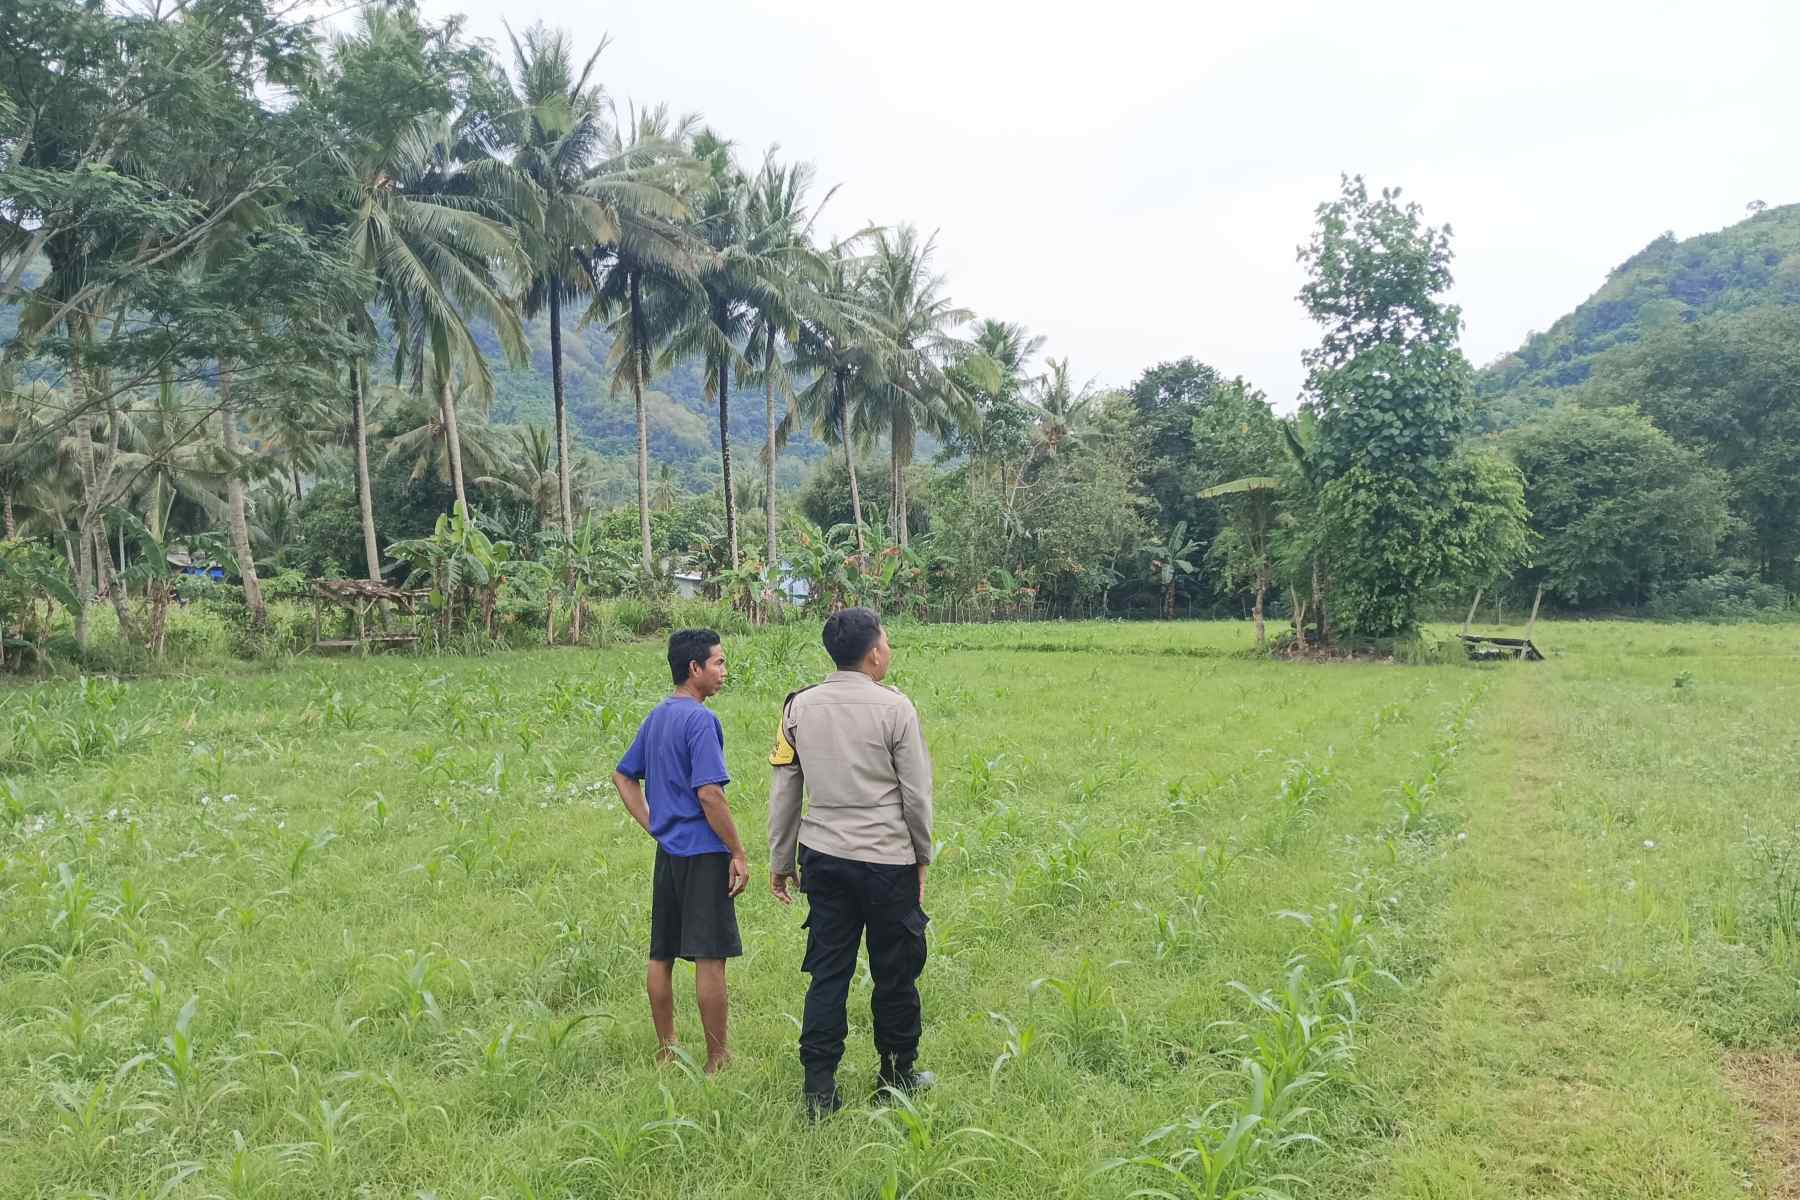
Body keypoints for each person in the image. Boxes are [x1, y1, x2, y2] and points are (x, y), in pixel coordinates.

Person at [768, 607, 935, 1116]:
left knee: (828, 972)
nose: (888, 648)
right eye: (886, 640)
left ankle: (819, 1089)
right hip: (888, 861)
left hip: (823, 858)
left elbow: (786, 788)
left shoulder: (798, 707)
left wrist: (781, 859)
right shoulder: (896, 709)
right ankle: (897, 1073)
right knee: (896, 971)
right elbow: (916, 795)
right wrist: (921, 856)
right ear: (873, 652)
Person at [613, 628, 749, 1074]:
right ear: (694, 668)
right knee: (710, 958)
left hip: (669, 853)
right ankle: (716, 1058)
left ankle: (668, 1048)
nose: (724, 671)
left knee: (662, 953)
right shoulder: (701, 721)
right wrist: (738, 851)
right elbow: (710, 793)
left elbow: (623, 776)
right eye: (719, 662)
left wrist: (655, 824)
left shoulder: (658, 716)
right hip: (705, 854)